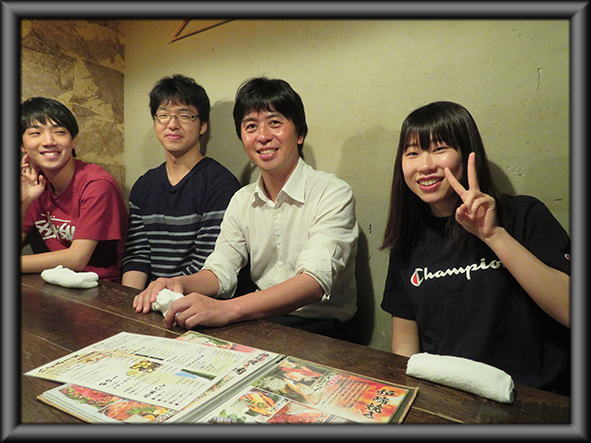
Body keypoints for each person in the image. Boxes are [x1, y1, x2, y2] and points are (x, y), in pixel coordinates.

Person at [133, 77, 358, 337]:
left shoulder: (332, 192)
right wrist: (178, 283)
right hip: (262, 322)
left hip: (324, 329)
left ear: (300, 134)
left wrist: (227, 309)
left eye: (275, 123)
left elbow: (314, 282)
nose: (262, 136)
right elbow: (220, 271)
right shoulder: (242, 200)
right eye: (251, 126)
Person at [380, 101, 570, 394]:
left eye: (440, 148)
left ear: (468, 153)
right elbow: (405, 350)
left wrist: (493, 235)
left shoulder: (523, 215)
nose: (425, 166)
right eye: (413, 153)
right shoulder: (408, 240)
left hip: (535, 396)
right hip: (449, 397)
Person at [121, 74, 241, 290]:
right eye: (163, 115)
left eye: (184, 116)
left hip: (197, 298)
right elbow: (138, 255)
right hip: (149, 298)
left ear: (203, 126)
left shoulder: (220, 184)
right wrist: (128, 299)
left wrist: (158, 293)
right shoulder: (143, 186)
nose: (172, 124)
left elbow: (208, 262)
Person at [20, 97, 127, 281]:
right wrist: (25, 201)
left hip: (100, 286)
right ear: (22, 145)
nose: (49, 141)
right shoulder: (35, 184)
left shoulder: (97, 184)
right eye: (36, 133)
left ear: (74, 141)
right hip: (55, 282)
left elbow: (77, 259)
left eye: (59, 132)